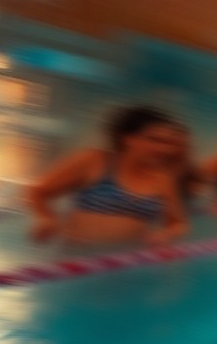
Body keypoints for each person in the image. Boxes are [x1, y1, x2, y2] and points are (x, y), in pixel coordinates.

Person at [27, 105, 188, 247]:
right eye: (154, 140)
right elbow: (38, 192)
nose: (163, 149)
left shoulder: (162, 179)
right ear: (128, 138)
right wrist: (47, 218)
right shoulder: (95, 161)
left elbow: (177, 223)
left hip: (123, 263)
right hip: (77, 258)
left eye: (167, 142)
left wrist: (166, 234)